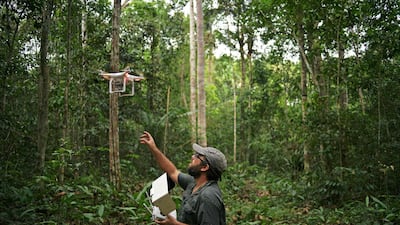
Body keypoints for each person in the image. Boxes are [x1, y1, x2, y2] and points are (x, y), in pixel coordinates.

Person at [140, 131, 227, 225]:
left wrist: (175, 224)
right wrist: (153, 148)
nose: (193, 156)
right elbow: (172, 171)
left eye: (198, 156)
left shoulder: (208, 197)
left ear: (204, 167)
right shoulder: (193, 183)